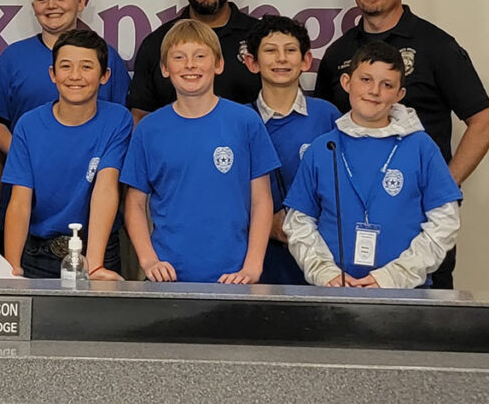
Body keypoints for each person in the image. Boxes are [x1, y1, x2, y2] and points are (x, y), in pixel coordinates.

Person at [314, 0, 489, 289]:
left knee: (423, 332)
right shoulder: (338, 54)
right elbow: (326, 130)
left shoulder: (436, 46)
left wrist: (442, 188)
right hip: (347, 233)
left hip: (418, 224)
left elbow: (482, 121)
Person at [284, 42, 462, 288]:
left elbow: (445, 221)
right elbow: (299, 221)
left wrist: (394, 276)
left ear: (399, 94)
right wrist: (325, 273)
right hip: (335, 292)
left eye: (387, 85)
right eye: (365, 79)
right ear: (347, 83)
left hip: (404, 296)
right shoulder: (322, 148)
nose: (374, 91)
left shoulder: (421, 147)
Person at [122, 19, 279, 284]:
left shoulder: (245, 121)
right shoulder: (148, 129)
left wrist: (252, 265)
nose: (190, 65)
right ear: (164, 68)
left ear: (218, 64)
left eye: (200, 56)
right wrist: (149, 260)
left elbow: (261, 201)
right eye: (179, 57)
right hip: (168, 278)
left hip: (234, 277)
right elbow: (134, 204)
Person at [0, 0, 130, 235]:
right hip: (26, 212)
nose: (52, 5)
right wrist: (26, 153)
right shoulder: (14, 59)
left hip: (91, 211)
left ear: (81, 2)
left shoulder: (107, 59)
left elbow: (121, 129)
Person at [2, 29, 130, 280]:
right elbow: (20, 201)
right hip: (39, 253)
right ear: (53, 74)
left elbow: (106, 189)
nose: (75, 76)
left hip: (97, 251)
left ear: (105, 76)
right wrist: (11, 267)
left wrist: (94, 266)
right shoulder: (29, 125)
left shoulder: (118, 120)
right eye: (66, 66)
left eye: (86, 67)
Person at [243, 15, 340, 284]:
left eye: (290, 50)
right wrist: (263, 223)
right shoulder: (238, 120)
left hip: (322, 252)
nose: (281, 59)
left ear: (306, 61)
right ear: (252, 62)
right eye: (270, 51)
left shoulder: (328, 116)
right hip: (257, 254)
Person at [128, 0, 260, 124]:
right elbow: (140, 116)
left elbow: (281, 100)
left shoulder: (260, 37)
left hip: (244, 148)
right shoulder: (158, 42)